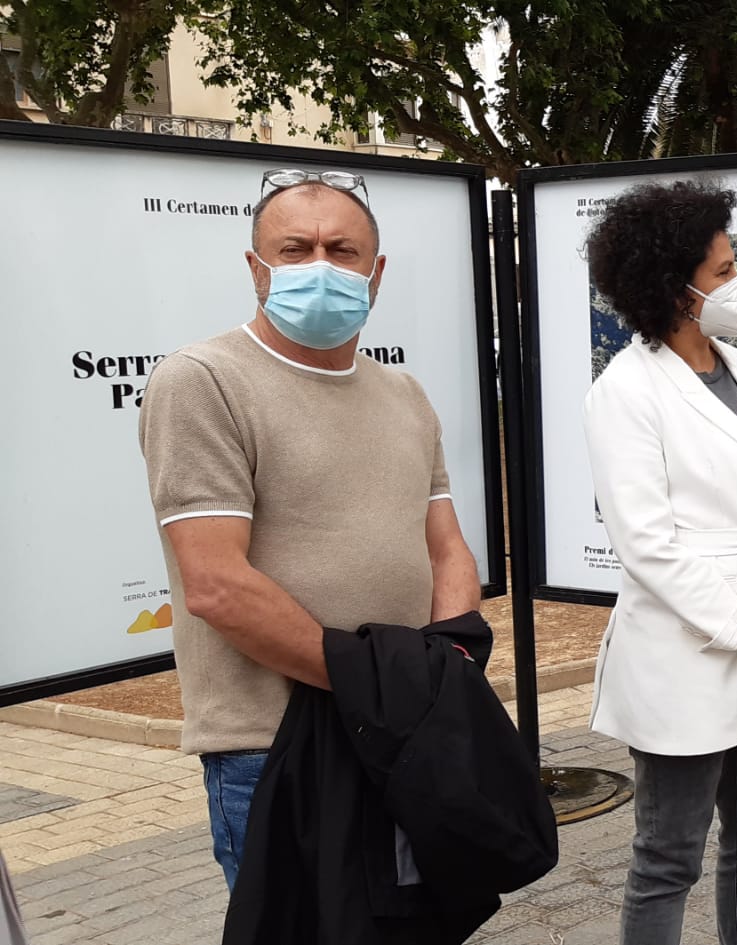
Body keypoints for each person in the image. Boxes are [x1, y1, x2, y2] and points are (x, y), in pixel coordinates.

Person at [137, 168, 482, 892]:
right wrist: (385, 689)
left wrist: (445, 670)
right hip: (275, 746)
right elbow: (217, 586)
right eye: (295, 249)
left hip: (403, 734)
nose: (320, 265)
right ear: (255, 268)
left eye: (342, 249)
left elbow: (445, 546)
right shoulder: (203, 380)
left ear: (376, 270)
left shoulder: (402, 392)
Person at [582, 180, 737, 945]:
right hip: (694, 659)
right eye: (722, 273)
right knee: (668, 859)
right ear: (673, 288)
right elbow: (648, 544)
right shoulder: (625, 392)